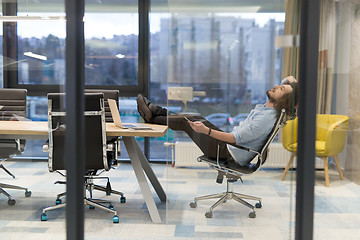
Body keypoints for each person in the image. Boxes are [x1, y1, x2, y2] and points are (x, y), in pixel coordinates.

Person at [137, 76, 298, 166]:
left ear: (282, 101)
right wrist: (290, 82)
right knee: (195, 117)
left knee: (189, 122)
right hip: (231, 147)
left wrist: (206, 131)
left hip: (228, 153)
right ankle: (154, 113)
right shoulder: (269, 109)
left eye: (282, 88)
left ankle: (153, 113)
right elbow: (288, 85)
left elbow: (236, 139)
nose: (277, 85)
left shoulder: (266, 118)